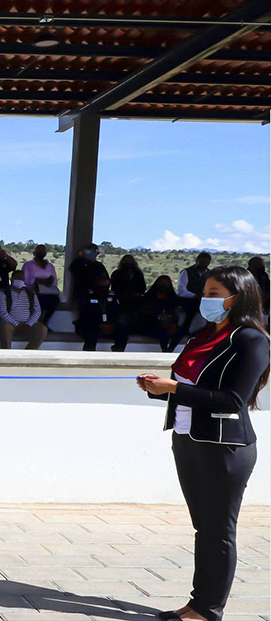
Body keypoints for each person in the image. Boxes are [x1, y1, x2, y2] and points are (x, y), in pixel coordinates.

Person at [137, 266, 269, 621]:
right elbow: (187, 386)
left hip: (225, 446)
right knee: (204, 528)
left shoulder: (251, 340)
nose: (205, 299)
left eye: (213, 293)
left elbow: (232, 400)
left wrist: (174, 388)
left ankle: (209, 609)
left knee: (218, 530)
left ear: (237, 297)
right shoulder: (200, 337)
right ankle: (198, 602)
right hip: (187, 440)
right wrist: (158, 389)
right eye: (205, 292)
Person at [68, 244, 109, 350]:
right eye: (89, 251)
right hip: (84, 298)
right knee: (88, 323)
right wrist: (81, 256)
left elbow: (106, 280)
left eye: (94, 252)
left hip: (99, 298)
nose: (92, 254)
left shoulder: (99, 266)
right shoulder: (79, 263)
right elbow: (75, 272)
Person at [0, 270, 48, 349]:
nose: (19, 280)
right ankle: (6, 353)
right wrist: (17, 324)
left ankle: (29, 352)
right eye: (17, 278)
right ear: (11, 279)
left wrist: (28, 324)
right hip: (11, 324)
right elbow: (2, 312)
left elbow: (37, 311)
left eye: (21, 278)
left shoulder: (31, 294)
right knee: (5, 327)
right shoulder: (3, 293)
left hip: (28, 324)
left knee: (42, 329)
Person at [138, 276, 184, 353]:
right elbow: (145, 315)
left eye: (166, 283)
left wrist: (172, 324)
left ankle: (171, 349)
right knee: (163, 333)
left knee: (181, 331)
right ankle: (165, 351)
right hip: (150, 326)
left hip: (169, 324)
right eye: (162, 283)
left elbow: (175, 314)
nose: (164, 285)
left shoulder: (173, 299)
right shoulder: (148, 298)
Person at [21, 245, 60, 325]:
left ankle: (44, 322)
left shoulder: (50, 266)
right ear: (34, 252)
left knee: (55, 300)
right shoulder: (28, 265)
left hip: (48, 291)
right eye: (39, 250)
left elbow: (54, 279)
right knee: (39, 302)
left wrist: (50, 281)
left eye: (43, 251)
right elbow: (24, 279)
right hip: (33, 291)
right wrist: (37, 281)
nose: (41, 252)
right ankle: (35, 324)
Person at [177, 252, 213, 333]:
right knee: (184, 324)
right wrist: (195, 296)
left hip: (203, 303)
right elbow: (181, 290)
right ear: (197, 260)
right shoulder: (186, 272)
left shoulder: (210, 275)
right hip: (187, 302)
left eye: (205, 262)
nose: (203, 264)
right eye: (201, 262)